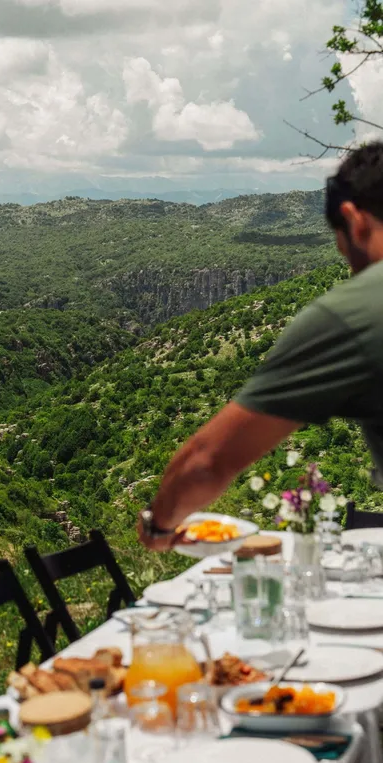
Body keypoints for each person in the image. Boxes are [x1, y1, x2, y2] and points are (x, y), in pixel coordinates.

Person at [139, 142, 383, 551]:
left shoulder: (357, 310)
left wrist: (159, 526)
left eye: (342, 249)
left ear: (352, 219)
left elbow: (207, 461)